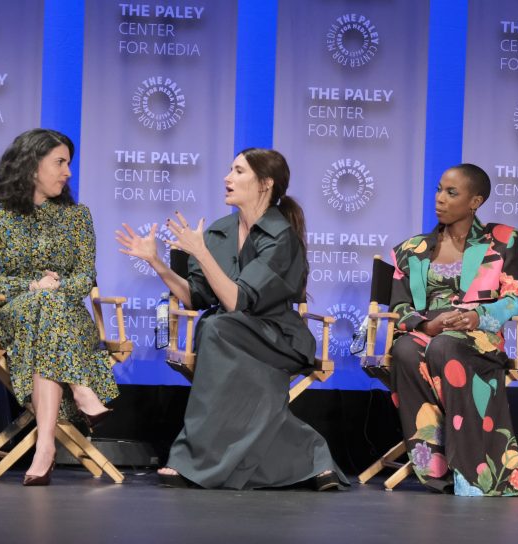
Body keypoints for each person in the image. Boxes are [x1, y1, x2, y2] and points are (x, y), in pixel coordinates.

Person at [116, 148, 346, 490]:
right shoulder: (220, 231)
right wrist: (157, 263)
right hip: (230, 334)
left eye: (238, 171)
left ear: (265, 184)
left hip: (276, 337)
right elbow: (196, 297)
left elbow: (237, 301)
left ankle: (191, 459)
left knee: (215, 326)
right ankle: (312, 460)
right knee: (217, 329)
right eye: (229, 169)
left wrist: (201, 252)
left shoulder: (281, 237)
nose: (227, 178)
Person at [0, 128, 118, 486]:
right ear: (31, 165)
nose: (68, 171)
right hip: (11, 318)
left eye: (69, 162)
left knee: (49, 309)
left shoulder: (77, 217)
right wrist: (35, 286)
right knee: (43, 303)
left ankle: (45, 447)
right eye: (60, 162)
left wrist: (55, 289)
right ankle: (81, 389)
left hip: (68, 319)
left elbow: (86, 278)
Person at [388, 164, 518, 496]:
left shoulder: (501, 241)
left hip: (476, 336)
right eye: (439, 189)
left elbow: (516, 298)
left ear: (475, 201)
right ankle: (436, 468)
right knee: (404, 350)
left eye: (451, 193)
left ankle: (476, 471)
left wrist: (478, 317)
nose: (440, 199)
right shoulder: (410, 249)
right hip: (428, 332)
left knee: (445, 347)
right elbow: (399, 309)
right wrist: (426, 324)